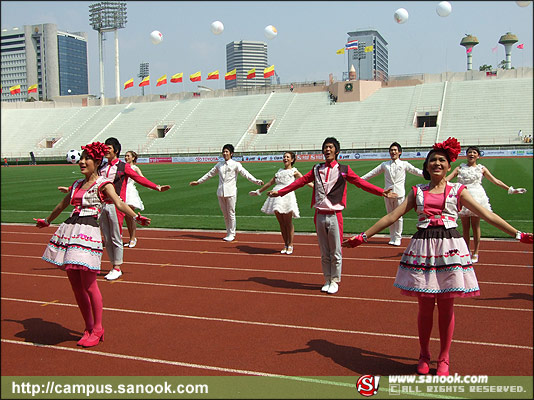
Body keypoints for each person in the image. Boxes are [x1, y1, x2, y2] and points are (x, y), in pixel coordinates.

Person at [343, 137, 533, 376]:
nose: (437, 163)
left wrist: (518, 234)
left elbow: (486, 214)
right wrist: (363, 236)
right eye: (433, 160)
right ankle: (424, 354)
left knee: (446, 305)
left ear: (448, 165)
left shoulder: (458, 190)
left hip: (450, 248)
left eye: (441, 160)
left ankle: (444, 357)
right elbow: (392, 217)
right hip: (423, 248)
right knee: (424, 306)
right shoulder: (417, 191)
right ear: (426, 166)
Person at [34, 142, 151, 348]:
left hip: (87, 232)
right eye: (80, 158)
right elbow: (62, 204)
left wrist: (137, 216)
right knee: (75, 285)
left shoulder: (104, 184)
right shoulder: (77, 184)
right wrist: (47, 221)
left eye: (86, 158)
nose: (81, 162)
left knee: (89, 284)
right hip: (70, 230)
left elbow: (120, 203)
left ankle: (98, 328)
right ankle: (88, 327)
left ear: (97, 162)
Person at [268, 137, 396, 294]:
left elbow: (360, 183)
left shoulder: (344, 169)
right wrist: (280, 192)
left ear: (337, 151)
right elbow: (299, 182)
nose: (327, 150)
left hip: (335, 215)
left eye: (330, 147)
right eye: (325, 147)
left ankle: (335, 280)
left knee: (335, 250)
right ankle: (327, 279)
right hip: (319, 214)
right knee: (324, 250)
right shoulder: (316, 169)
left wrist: (380, 191)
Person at [98, 137, 170, 280]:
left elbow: (139, 179)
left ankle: (116, 267)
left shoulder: (123, 166)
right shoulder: (101, 167)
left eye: (109, 148)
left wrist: (157, 187)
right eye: (105, 148)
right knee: (106, 238)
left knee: (115, 236)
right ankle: (113, 264)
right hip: (101, 205)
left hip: (117, 205)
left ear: (116, 150)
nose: (106, 150)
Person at [445, 146, 527, 263]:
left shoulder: (481, 168)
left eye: (474, 152)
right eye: (469, 152)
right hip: (463, 196)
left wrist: (511, 189)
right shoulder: (459, 168)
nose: (471, 154)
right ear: (466, 155)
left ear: (478, 156)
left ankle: (476, 252)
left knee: (475, 225)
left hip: (478, 197)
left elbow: (495, 180)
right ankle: (466, 251)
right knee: (465, 228)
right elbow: (447, 179)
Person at [189, 144, 263, 242]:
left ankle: (232, 234)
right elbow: (209, 174)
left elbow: (246, 174)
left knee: (231, 213)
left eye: (226, 151)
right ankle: (228, 232)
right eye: (223, 151)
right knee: (225, 214)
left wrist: (256, 181)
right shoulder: (219, 165)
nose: (224, 153)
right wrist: (198, 181)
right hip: (220, 192)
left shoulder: (236, 164)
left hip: (231, 192)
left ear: (231, 153)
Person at [249, 151, 312, 254]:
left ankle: (291, 244)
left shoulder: (294, 171)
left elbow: (304, 181)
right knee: (281, 223)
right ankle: (285, 244)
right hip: (276, 196)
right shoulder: (279, 171)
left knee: (288, 222)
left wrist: (316, 187)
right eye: (284, 157)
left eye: (287, 157)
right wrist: (258, 192)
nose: (285, 159)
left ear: (292, 160)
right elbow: (270, 183)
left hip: (287, 196)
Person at [361, 142, 423, 246]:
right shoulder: (385, 165)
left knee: (398, 216)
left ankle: (398, 237)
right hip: (387, 193)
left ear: (400, 152)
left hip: (399, 194)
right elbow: (372, 173)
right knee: (389, 215)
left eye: (395, 150)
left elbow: (416, 171)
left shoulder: (404, 164)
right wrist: (358, 180)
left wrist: (429, 174)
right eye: (391, 150)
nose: (393, 152)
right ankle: (392, 236)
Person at [123, 150, 145, 248]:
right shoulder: (123, 167)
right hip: (123, 191)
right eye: (125, 156)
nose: (126, 157)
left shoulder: (135, 168)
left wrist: (154, 186)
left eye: (128, 156)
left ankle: (133, 238)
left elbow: (142, 178)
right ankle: (130, 237)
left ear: (133, 158)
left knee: (131, 215)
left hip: (130, 192)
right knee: (126, 217)